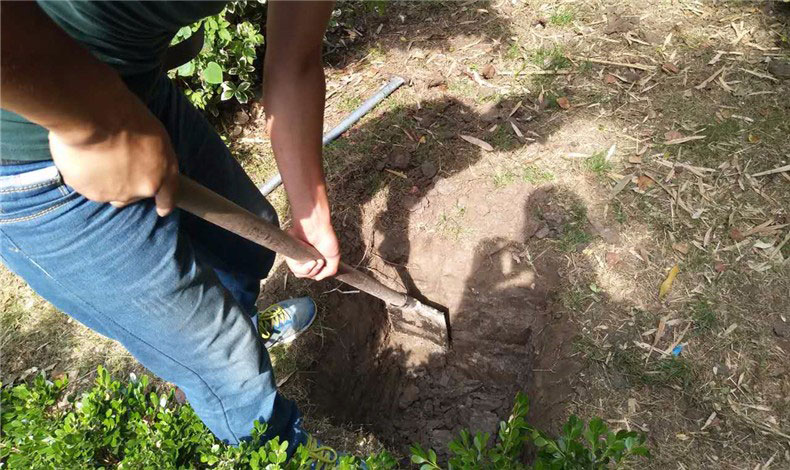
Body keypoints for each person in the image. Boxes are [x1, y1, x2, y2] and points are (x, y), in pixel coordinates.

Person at [0, 0, 340, 458]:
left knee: (246, 242)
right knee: (221, 360)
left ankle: (244, 329)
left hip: (136, 90)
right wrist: (91, 130)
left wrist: (311, 211)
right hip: (29, 164)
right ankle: (280, 450)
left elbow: (294, 62)